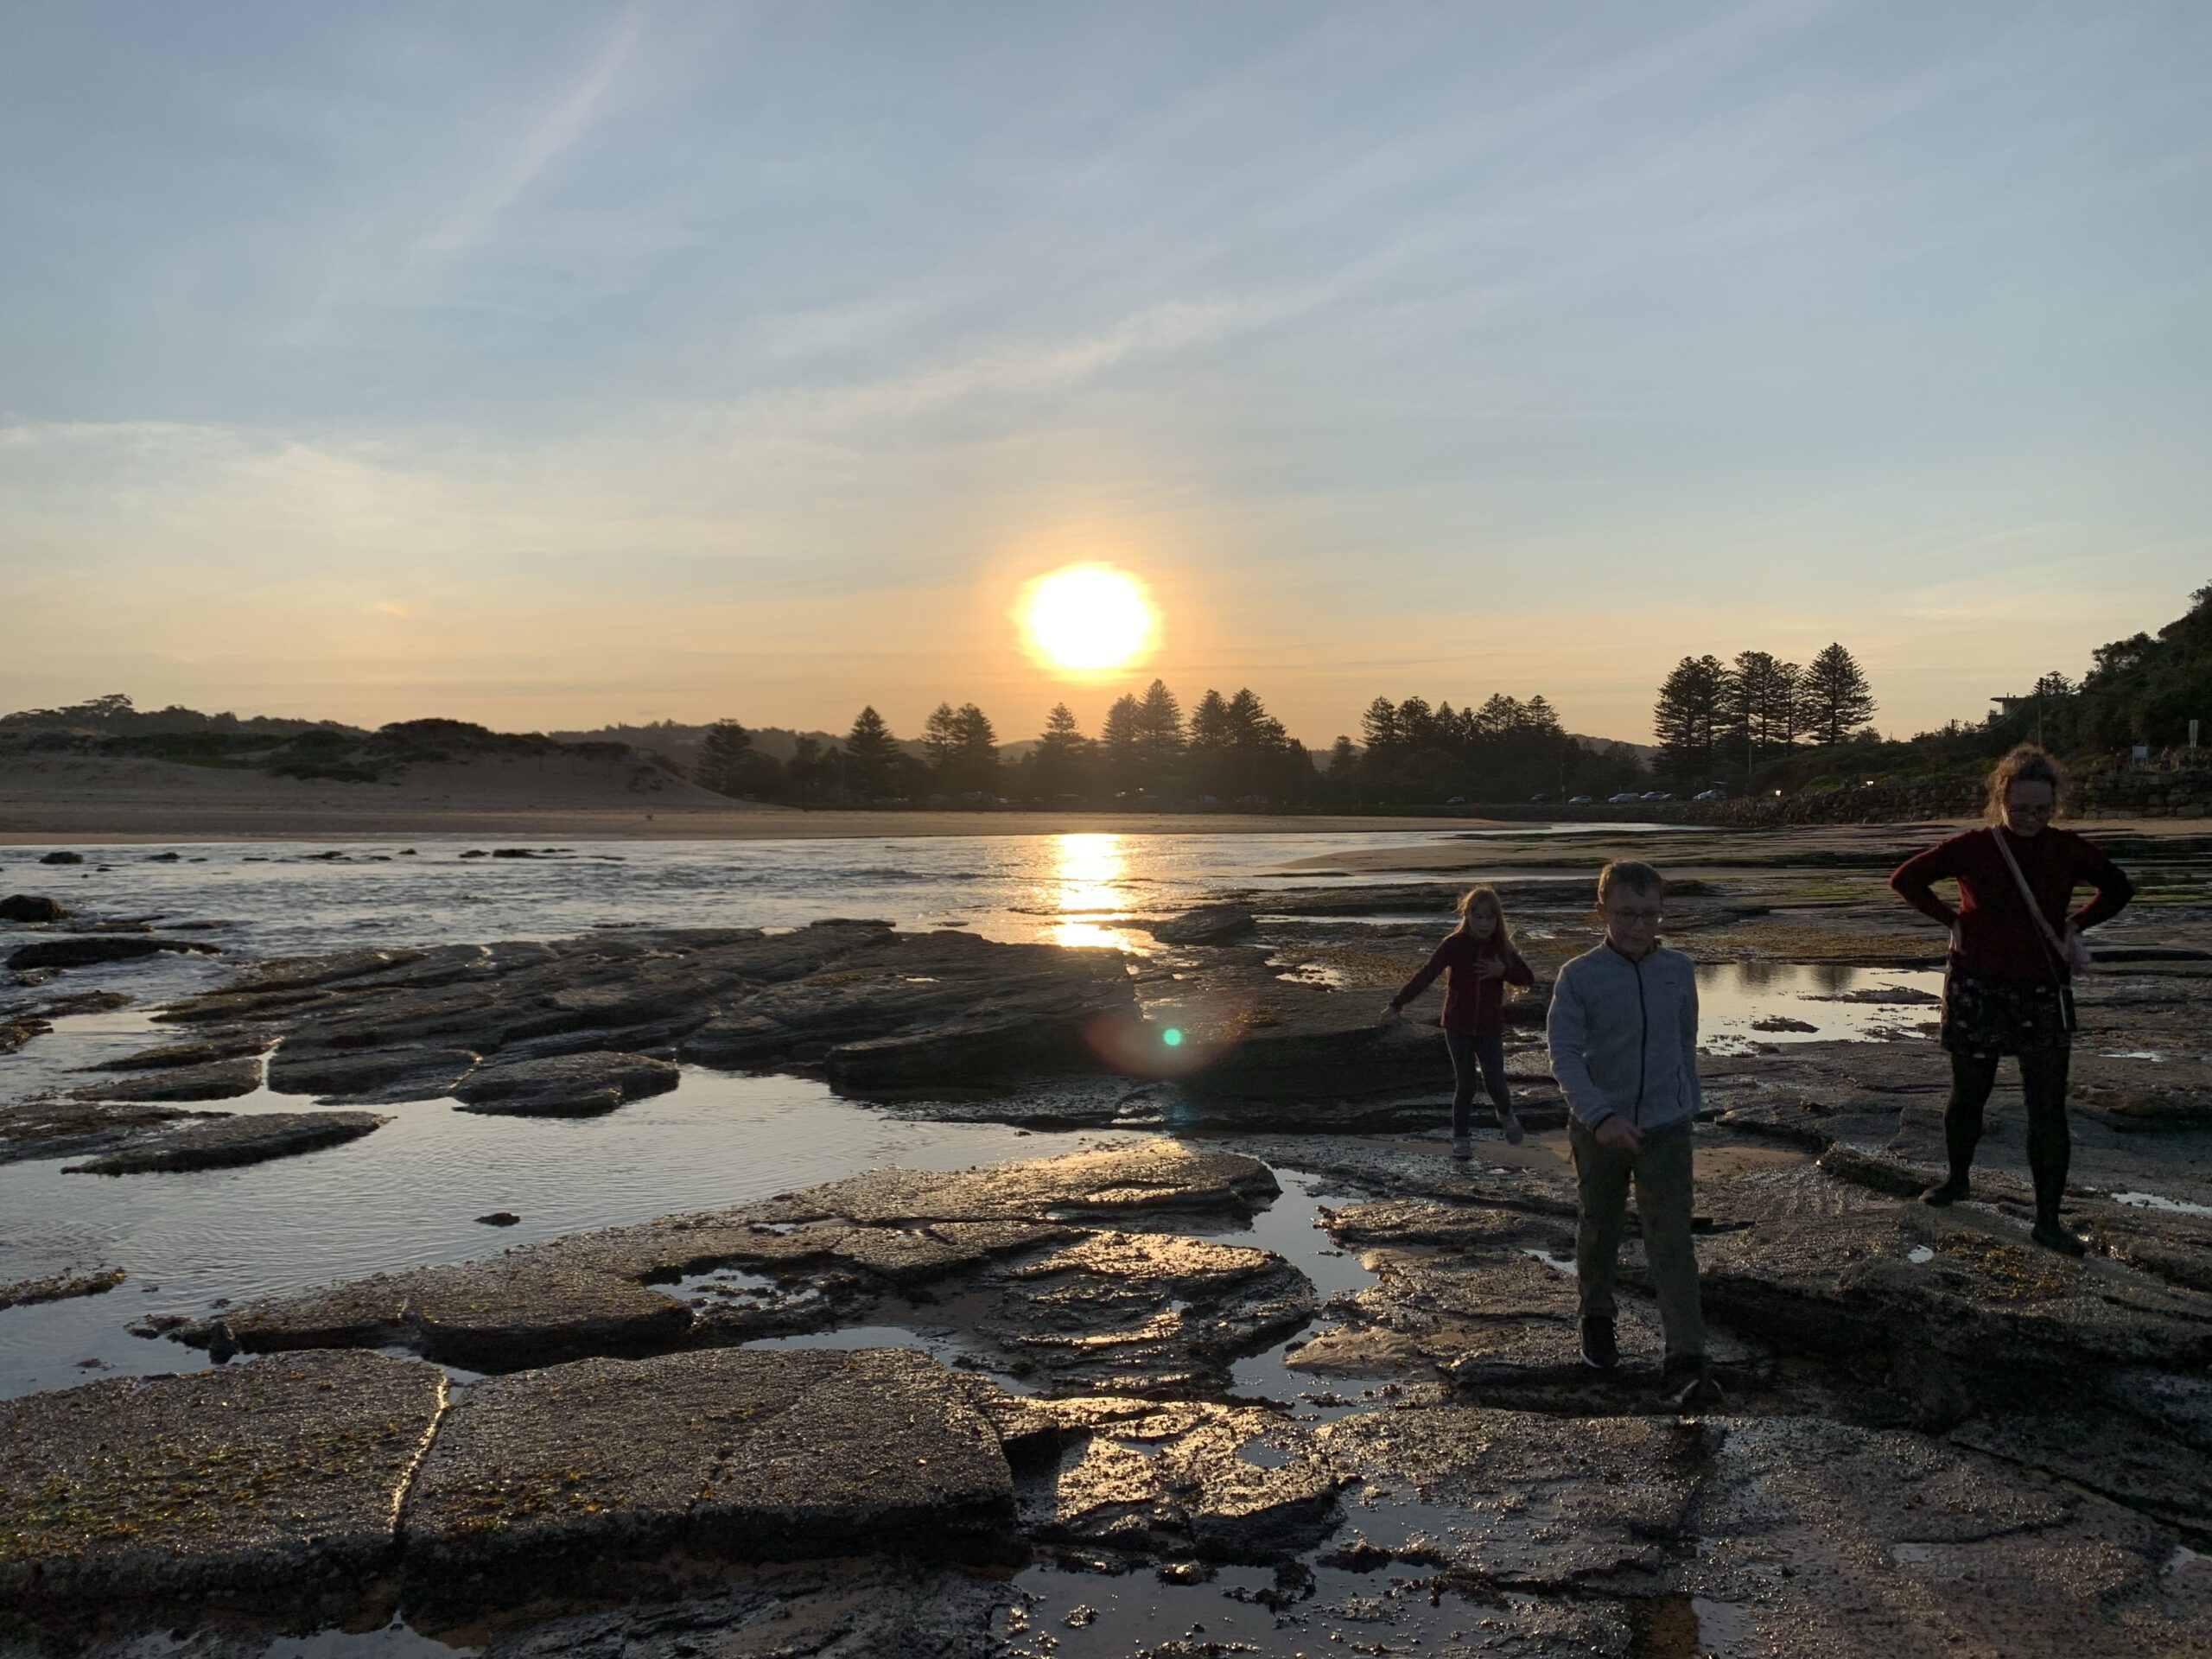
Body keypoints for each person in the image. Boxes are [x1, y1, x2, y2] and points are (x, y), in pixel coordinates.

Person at [1889, 745, 2134, 1255]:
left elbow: (2118, 888)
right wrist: (1952, 920)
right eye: (2020, 808)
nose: (2030, 818)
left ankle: (2048, 1221)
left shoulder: (2067, 848)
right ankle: (1957, 1180)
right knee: (1969, 1094)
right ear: (2001, 799)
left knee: (2048, 1108)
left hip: (2043, 989)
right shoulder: (1975, 847)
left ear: (2055, 804)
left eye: (2042, 809)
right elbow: (1906, 878)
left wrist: (2075, 925)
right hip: (1977, 985)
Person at [1546, 859, 1718, 1410]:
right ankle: (1596, 1316)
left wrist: (1687, 1104)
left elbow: (1684, 1042)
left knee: (1672, 1239)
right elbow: (1564, 1055)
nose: (1639, 926)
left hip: (1667, 1126)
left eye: (1649, 914)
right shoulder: (1579, 976)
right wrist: (1601, 1117)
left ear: (1662, 911)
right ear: (1602, 911)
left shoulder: (1679, 969)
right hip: (1598, 1126)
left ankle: (1686, 1362)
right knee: (1601, 1224)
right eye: (1626, 914)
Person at [1381, 886, 1535, 1157]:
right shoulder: (1454, 945)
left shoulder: (1501, 948)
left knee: (1495, 1083)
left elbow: (1527, 977)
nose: (1484, 923)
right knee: (1466, 1085)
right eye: (1478, 916)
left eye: (1490, 917)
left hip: (1490, 1028)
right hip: (1458, 1027)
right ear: (1467, 916)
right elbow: (1427, 973)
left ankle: (1505, 1113)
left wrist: (1502, 970)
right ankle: (1461, 1138)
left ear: (1497, 919)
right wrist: (1398, 1003)